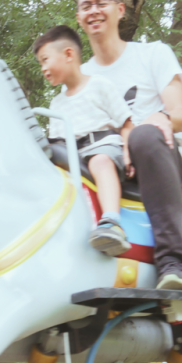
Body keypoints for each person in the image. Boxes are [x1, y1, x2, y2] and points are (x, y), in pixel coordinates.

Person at [76, 0, 182, 291]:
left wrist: (162, 116)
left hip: (157, 154)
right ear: (79, 18)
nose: (94, 11)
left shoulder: (153, 54)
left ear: (119, 10)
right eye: (86, 6)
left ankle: (173, 263)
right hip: (110, 162)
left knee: (143, 134)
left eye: (101, 3)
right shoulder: (82, 77)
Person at [34, 25, 134, 256]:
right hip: (75, 155)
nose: (43, 68)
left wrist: (129, 152)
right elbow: (58, 143)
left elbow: (127, 123)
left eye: (46, 59)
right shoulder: (56, 104)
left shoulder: (99, 85)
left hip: (104, 147)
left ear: (68, 54)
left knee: (99, 161)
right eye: (41, 63)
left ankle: (111, 222)